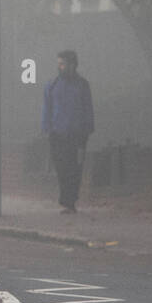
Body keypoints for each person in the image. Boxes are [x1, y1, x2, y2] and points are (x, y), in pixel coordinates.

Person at [41, 49, 94, 212]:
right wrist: (46, 127)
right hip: (57, 134)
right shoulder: (52, 85)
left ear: (73, 65)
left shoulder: (82, 85)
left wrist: (88, 129)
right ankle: (67, 199)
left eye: (62, 64)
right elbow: (47, 108)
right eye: (59, 64)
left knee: (75, 168)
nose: (60, 67)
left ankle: (70, 201)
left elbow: (88, 108)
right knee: (61, 168)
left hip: (77, 135)